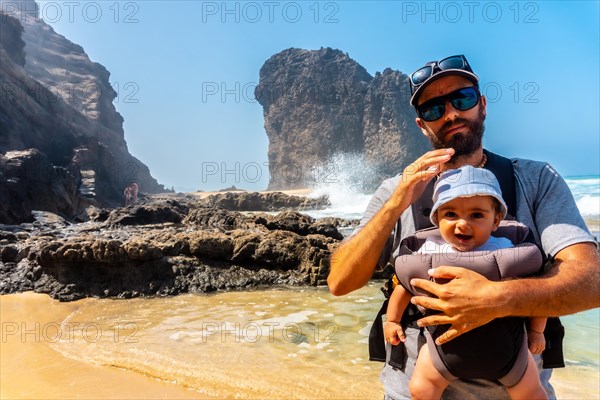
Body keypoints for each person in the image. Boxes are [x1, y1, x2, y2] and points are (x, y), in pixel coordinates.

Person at [327, 54, 599, 399]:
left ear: (482, 105)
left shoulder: (535, 180)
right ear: (421, 124)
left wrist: (496, 298)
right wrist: (396, 203)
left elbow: (592, 282)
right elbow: (340, 281)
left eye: (463, 98)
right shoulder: (396, 190)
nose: (451, 113)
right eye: (433, 108)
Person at [384, 165, 547, 400]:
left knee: (532, 393)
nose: (462, 223)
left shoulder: (507, 248)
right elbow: (404, 288)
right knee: (420, 389)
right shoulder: (428, 250)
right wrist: (392, 321)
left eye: (477, 215)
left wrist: (536, 332)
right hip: (441, 349)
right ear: (437, 219)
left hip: (511, 354)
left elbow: (536, 295)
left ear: (496, 220)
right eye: (450, 214)